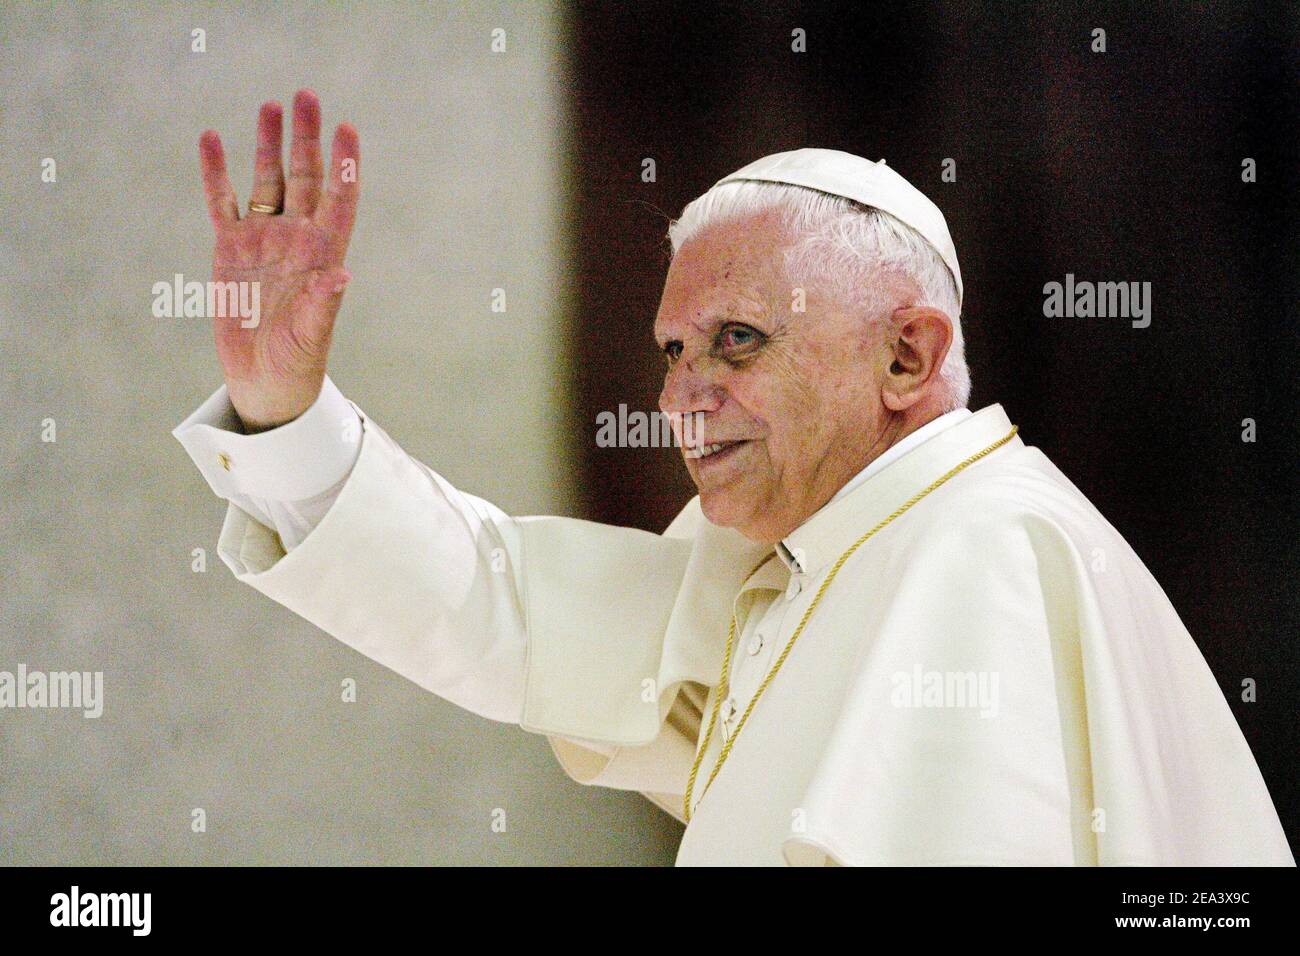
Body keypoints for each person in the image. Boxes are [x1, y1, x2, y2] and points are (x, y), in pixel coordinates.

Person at [174, 89, 1293, 866]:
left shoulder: (984, 549)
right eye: (673, 350)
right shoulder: (806, 554)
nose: (680, 395)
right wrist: (288, 411)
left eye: (738, 340)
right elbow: (505, 608)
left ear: (905, 353)